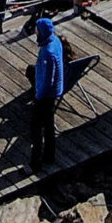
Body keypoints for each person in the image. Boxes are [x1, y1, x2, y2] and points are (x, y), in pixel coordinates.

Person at [29, 16, 65, 169]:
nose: (35, 33)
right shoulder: (55, 41)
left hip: (46, 94)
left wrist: (38, 96)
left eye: (37, 31)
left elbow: (48, 79)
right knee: (49, 124)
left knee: (36, 128)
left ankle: (35, 163)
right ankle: (49, 156)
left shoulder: (47, 53)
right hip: (55, 90)